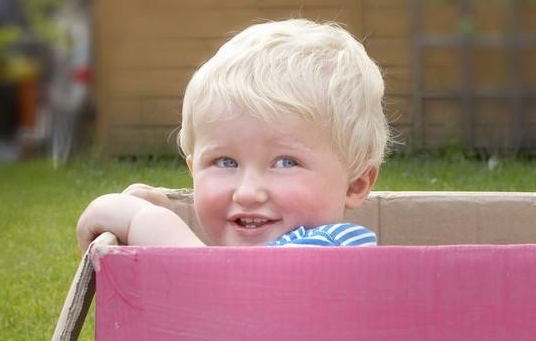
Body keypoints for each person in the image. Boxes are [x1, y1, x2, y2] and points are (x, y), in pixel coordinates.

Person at [76, 19, 388, 250]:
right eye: (225, 162)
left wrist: (142, 221)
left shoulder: (330, 249)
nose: (247, 193)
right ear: (193, 170)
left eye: (285, 163)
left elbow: (216, 289)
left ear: (355, 183)